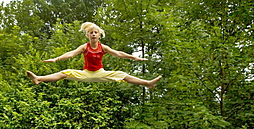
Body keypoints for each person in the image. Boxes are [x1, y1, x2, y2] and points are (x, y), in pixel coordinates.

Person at [27, 22, 162, 88]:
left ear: (99, 35)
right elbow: (71, 54)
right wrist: (56, 59)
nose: (93, 34)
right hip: (86, 73)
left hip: (100, 73)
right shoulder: (84, 47)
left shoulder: (103, 47)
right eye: (91, 32)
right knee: (64, 73)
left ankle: (147, 83)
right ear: (87, 35)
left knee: (123, 75)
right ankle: (39, 78)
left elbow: (118, 54)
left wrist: (134, 57)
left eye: (95, 32)